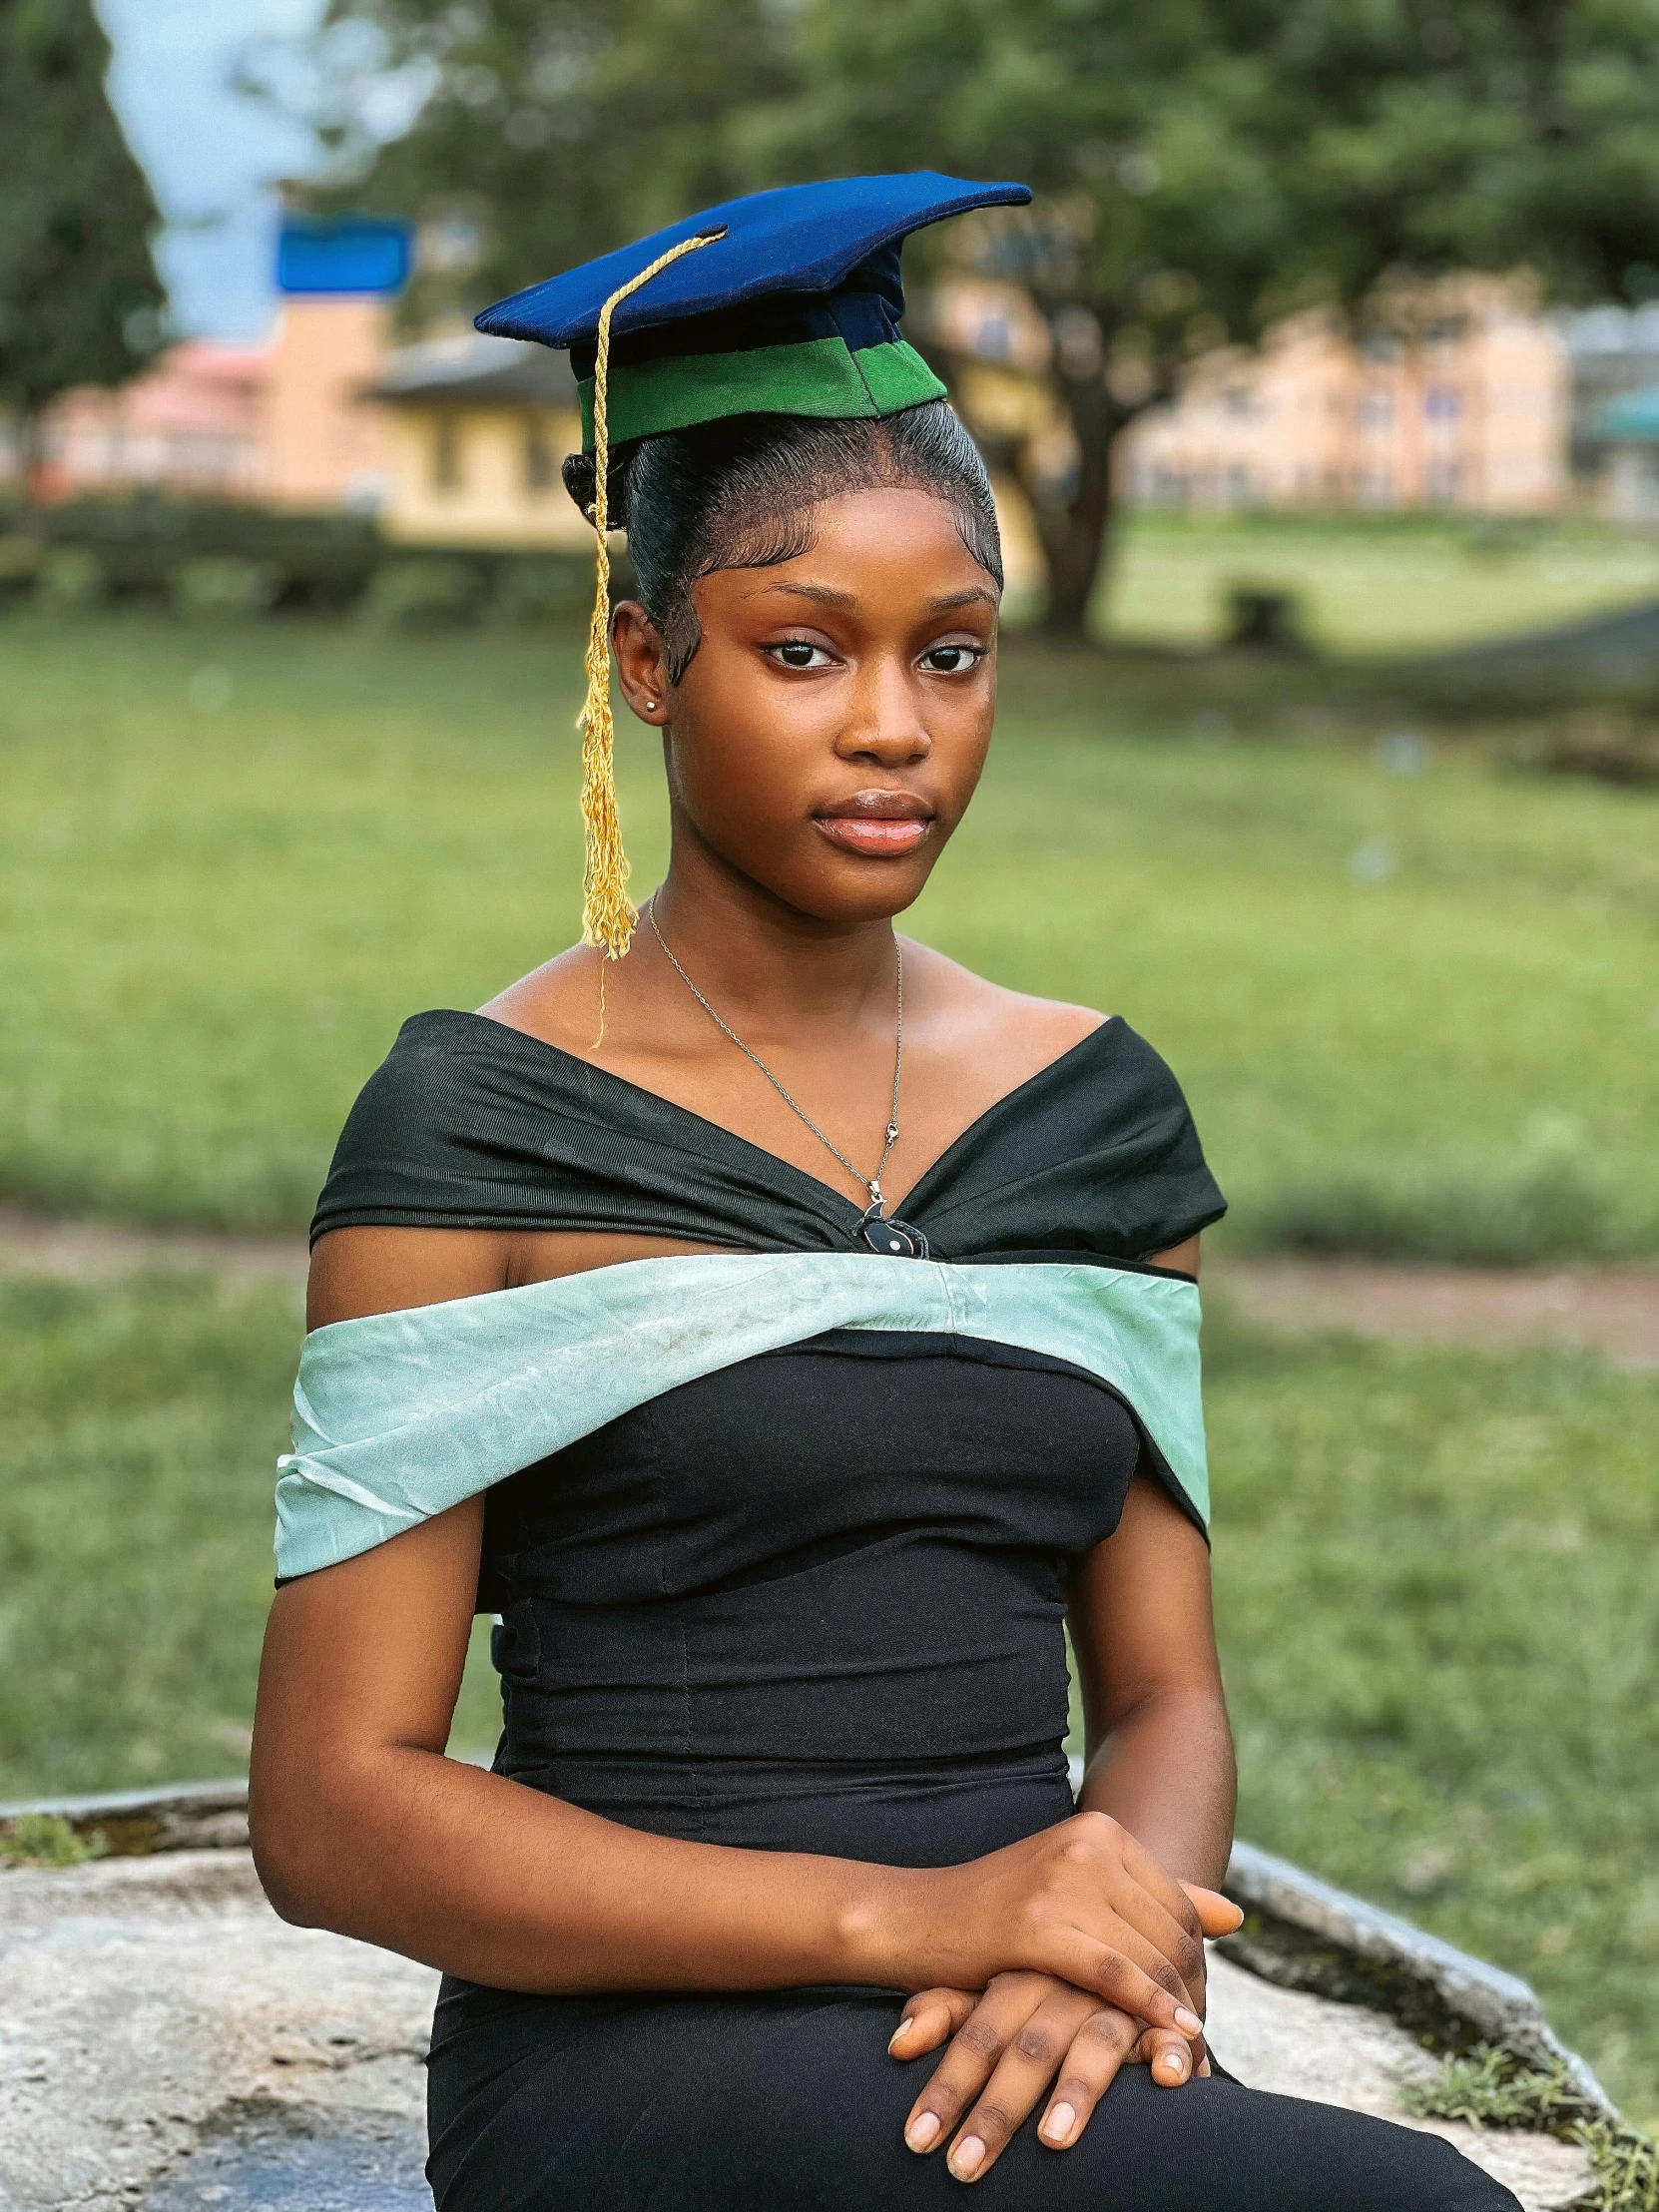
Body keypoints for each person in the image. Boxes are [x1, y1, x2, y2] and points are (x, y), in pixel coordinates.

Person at [249, 175, 1520, 2210]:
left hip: (1024, 2021)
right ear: (647, 662)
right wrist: (912, 1922)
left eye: (951, 654)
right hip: (631, 2053)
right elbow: (331, 1810)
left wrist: (1098, 1959)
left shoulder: (1094, 1117)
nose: (891, 730)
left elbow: (1172, 1692)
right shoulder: (474, 1127)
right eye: (803, 649)